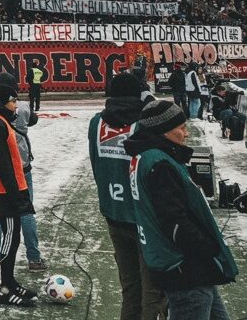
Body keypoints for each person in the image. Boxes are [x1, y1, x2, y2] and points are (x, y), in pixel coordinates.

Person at [127, 100, 238, 320]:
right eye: (181, 128)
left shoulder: (145, 156)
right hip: (186, 268)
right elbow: (174, 221)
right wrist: (207, 247)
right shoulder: (159, 164)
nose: (186, 134)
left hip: (187, 266)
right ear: (164, 131)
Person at [90, 72, 165, 320]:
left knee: (130, 289)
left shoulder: (96, 123)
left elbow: (95, 165)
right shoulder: (143, 124)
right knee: (153, 292)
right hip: (144, 218)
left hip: (113, 213)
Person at [0, 73, 44, 272]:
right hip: (22, 164)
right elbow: (33, 120)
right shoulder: (22, 106)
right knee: (27, 211)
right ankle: (34, 259)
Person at [0, 81, 38, 306]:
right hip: (2, 192)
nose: (16, 105)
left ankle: (10, 283)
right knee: (10, 239)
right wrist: (15, 193)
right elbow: (2, 164)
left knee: (12, 237)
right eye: (13, 101)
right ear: (4, 102)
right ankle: (5, 288)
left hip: (5, 190)